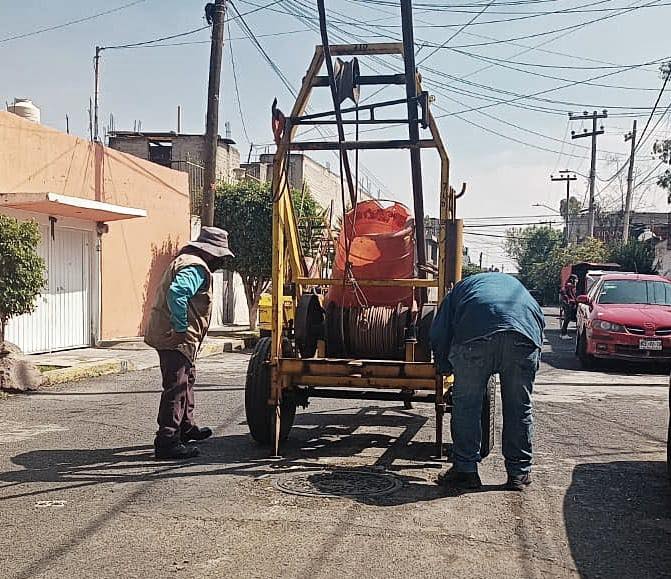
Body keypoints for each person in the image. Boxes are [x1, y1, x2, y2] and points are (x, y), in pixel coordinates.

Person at [430, 272, 545, 491]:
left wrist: (444, 365)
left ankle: (466, 471)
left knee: (467, 406)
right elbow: (537, 323)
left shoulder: (459, 290)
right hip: (522, 339)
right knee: (519, 408)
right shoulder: (518, 288)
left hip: (475, 338)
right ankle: (519, 474)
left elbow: (439, 331)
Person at [144, 227, 234, 460]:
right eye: (221, 258)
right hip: (175, 336)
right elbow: (178, 293)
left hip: (174, 335)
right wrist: (180, 329)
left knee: (187, 379)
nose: (221, 263)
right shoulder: (196, 266)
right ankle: (167, 440)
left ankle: (186, 426)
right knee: (176, 386)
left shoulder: (188, 261)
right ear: (211, 253)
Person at [559, 274, 578, 339]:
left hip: (566, 304)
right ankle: (564, 333)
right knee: (567, 319)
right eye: (575, 279)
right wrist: (573, 301)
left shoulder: (567, 286)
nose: (576, 281)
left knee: (567, 319)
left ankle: (563, 333)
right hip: (568, 304)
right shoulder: (569, 286)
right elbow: (570, 296)